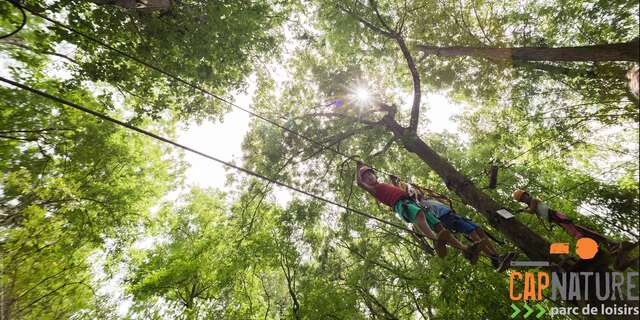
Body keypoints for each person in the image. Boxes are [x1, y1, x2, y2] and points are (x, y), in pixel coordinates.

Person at [356, 163, 483, 264]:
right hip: (402, 205)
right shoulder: (374, 190)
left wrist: (396, 183)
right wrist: (359, 167)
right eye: (366, 178)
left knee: (440, 227)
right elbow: (359, 183)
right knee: (419, 216)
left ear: (375, 175)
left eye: (371, 175)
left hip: (412, 202)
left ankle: (465, 250)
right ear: (366, 182)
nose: (370, 178)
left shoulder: (385, 184)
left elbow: (401, 191)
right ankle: (434, 239)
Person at [390, 177, 515, 272]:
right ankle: (494, 258)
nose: (417, 191)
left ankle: (496, 256)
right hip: (446, 219)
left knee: (479, 229)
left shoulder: (429, 199)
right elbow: (412, 205)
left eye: (417, 190)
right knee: (472, 232)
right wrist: (400, 185)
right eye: (414, 191)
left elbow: (432, 197)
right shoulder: (418, 204)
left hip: (454, 215)